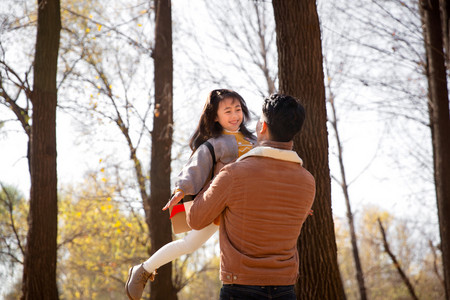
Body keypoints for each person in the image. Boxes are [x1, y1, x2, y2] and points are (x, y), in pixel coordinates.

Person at [125, 89, 256, 300]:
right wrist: (181, 190)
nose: (234, 116)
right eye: (228, 111)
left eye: (238, 110)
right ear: (215, 117)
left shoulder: (255, 142)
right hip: (220, 205)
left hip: (248, 209)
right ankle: (144, 269)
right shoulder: (214, 144)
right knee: (190, 244)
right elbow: (193, 169)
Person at [187, 93, 316, 300]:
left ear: (263, 127)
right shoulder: (307, 181)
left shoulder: (233, 174)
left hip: (240, 287)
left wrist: (213, 176)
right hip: (285, 288)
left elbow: (196, 219)